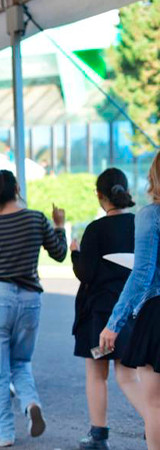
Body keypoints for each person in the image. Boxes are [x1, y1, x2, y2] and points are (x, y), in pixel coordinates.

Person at [0, 169, 67, 447]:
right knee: (21, 362)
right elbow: (59, 254)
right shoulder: (36, 218)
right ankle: (31, 403)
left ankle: (4, 433)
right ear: (17, 189)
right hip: (30, 299)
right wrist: (59, 225)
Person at [72, 168, 144, 449]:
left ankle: (98, 436)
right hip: (137, 312)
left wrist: (75, 253)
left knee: (96, 373)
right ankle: (154, 420)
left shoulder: (96, 229)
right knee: (128, 375)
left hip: (101, 318)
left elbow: (86, 273)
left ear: (99, 195)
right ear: (126, 191)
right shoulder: (142, 224)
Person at [101, 153, 160, 450]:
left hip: (157, 315)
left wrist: (114, 323)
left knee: (156, 405)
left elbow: (142, 275)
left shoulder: (151, 215)